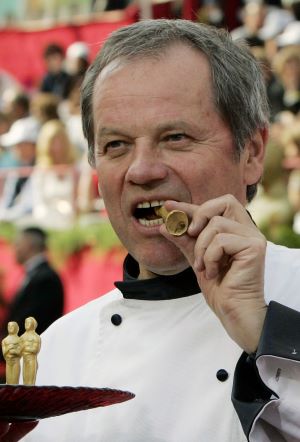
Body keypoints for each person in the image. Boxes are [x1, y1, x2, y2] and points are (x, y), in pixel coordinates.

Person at [21, 19, 300, 442]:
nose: (142, 170)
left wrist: (267, 337)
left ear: (253, 153)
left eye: (175, 137)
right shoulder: (58, 348)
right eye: (116, 145)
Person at [0, 227, 64, 341]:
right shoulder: (37, 275)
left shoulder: (46, 278)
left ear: (29, 245)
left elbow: (32, 319)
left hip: (35, 352)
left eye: (18, 244)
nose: (14, 249)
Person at [20, 317, 41, 386]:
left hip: (32, 359)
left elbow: (35, 349)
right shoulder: (22, 337)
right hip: (24, 360)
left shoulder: (36, 337)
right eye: (26, 323)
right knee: (25, 378)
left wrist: (26, 348)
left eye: (29, 323)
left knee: (31, 380)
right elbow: (19, 348)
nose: (26, 324)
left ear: (33, 324)